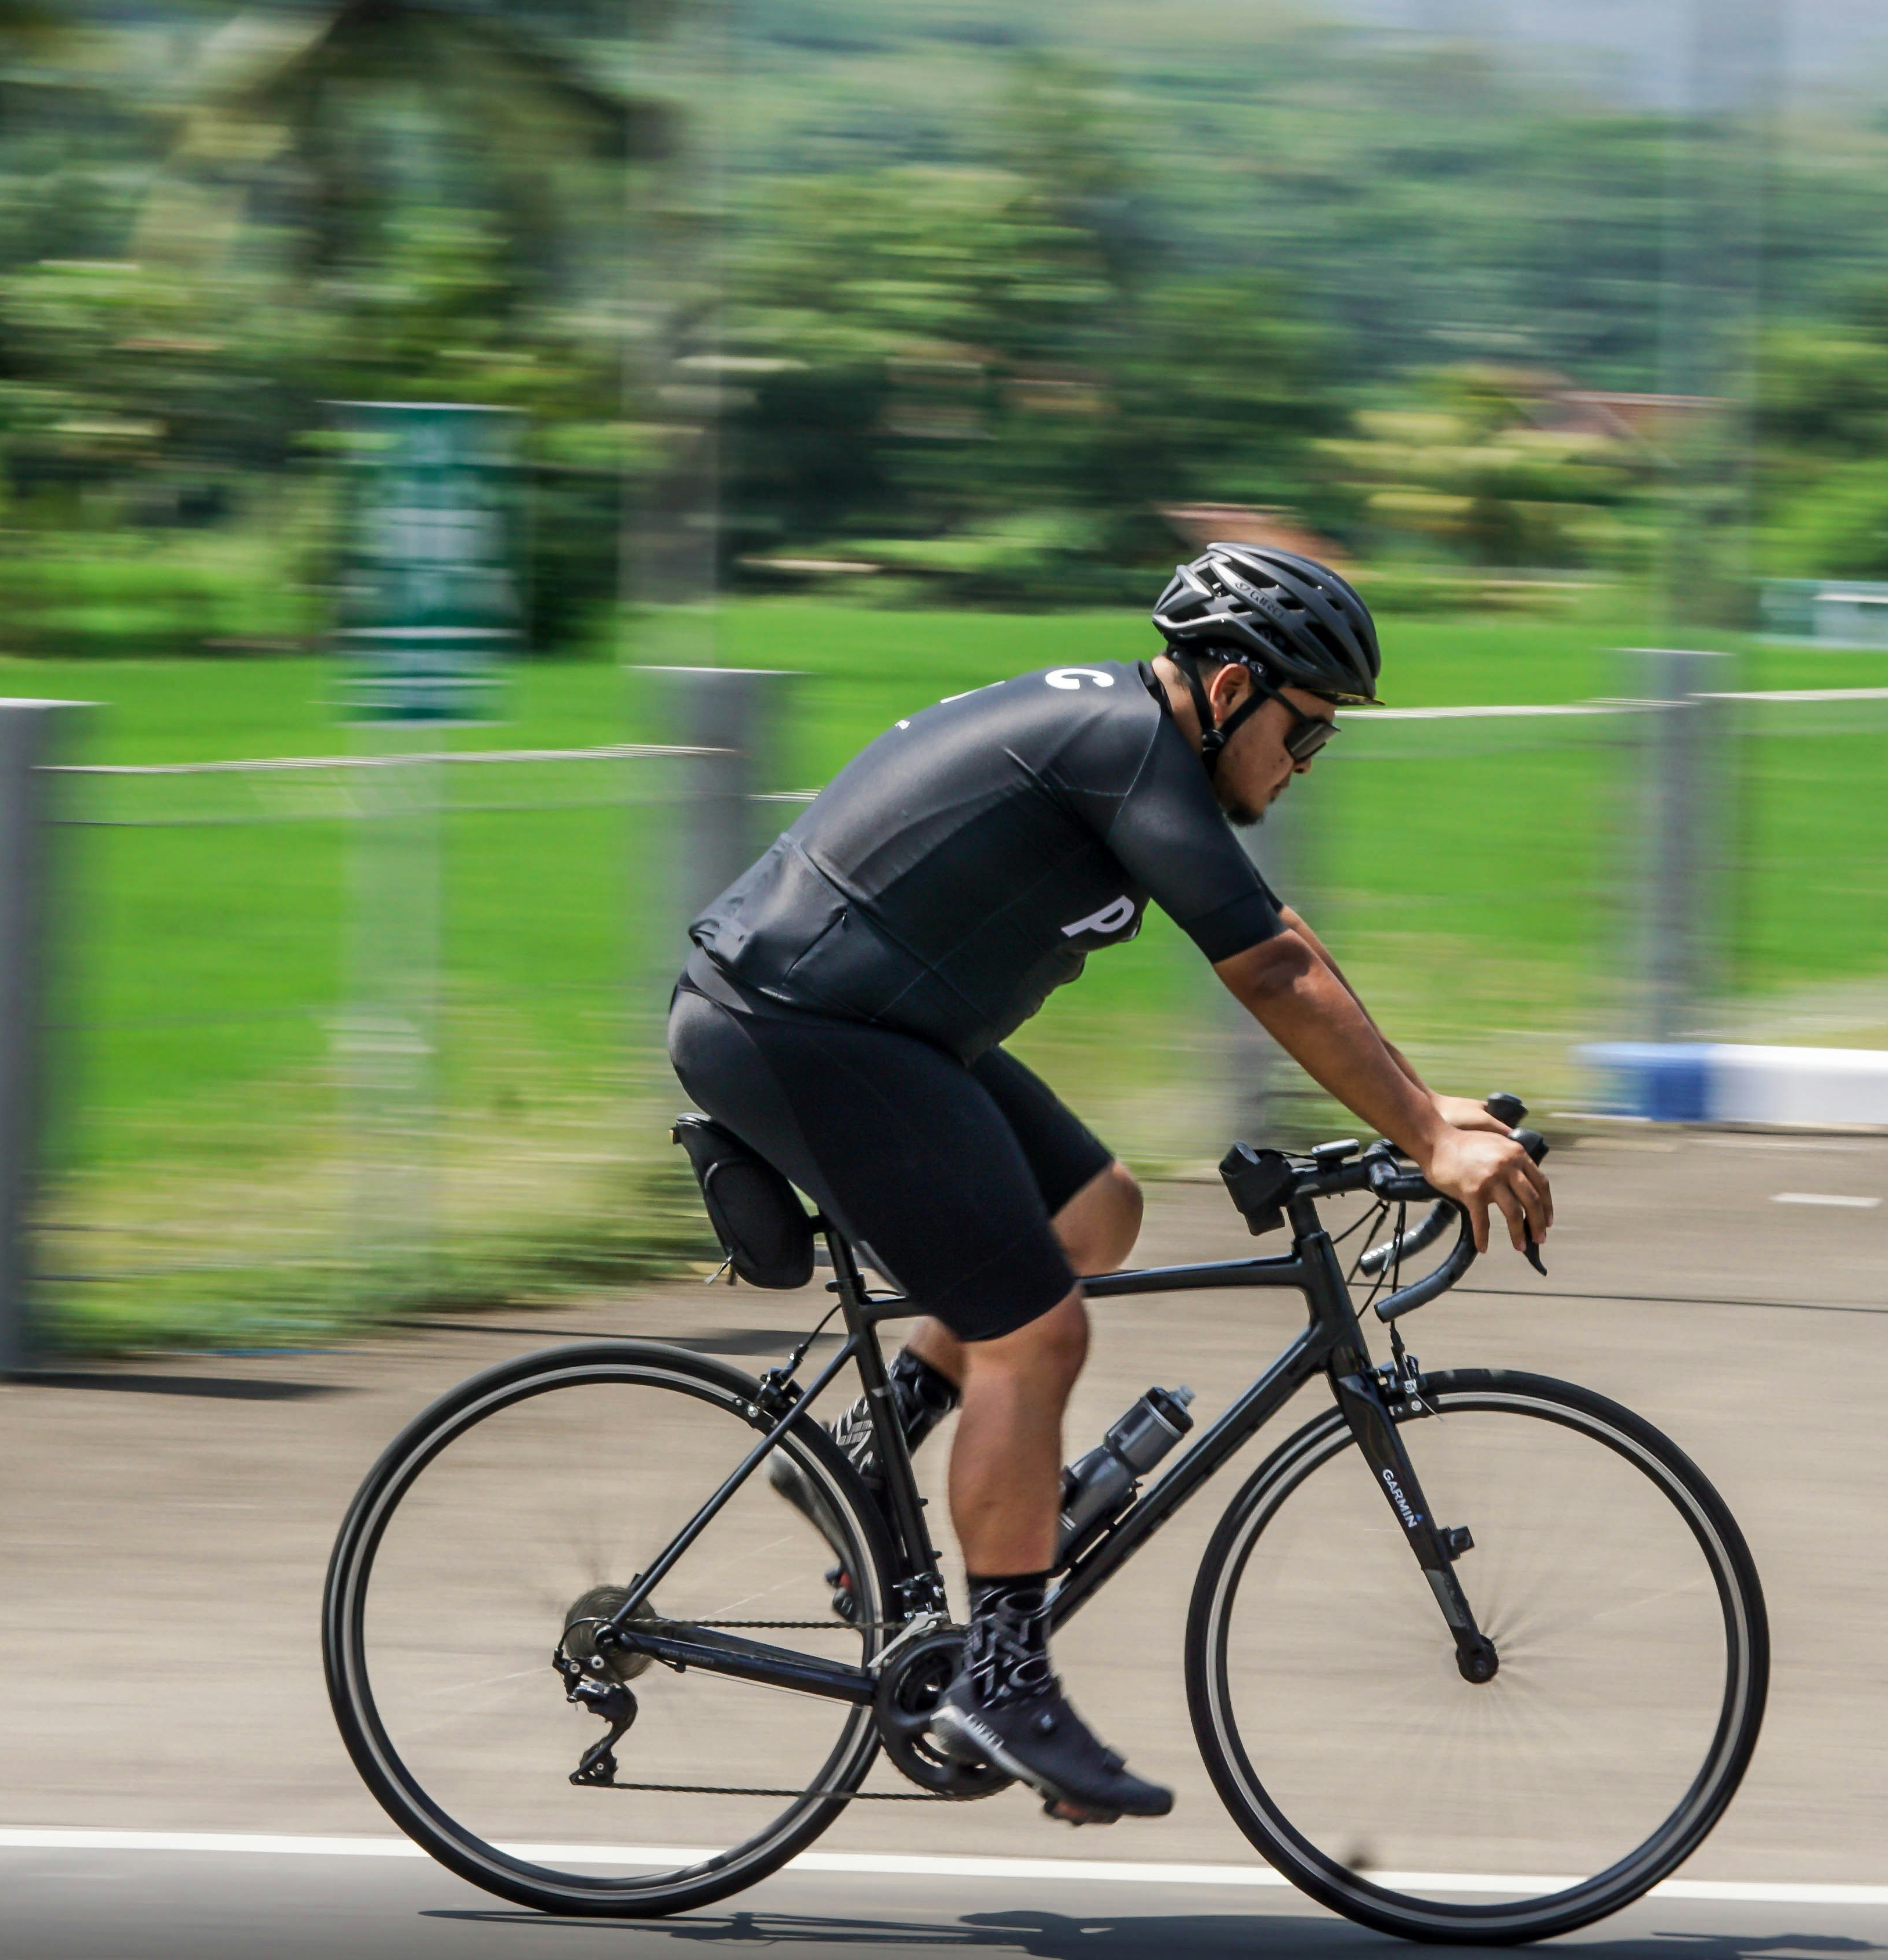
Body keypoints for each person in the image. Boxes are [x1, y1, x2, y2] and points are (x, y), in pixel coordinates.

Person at [664, 542, 1552, 1825]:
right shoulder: (1126, 746)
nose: (1307, 766)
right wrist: (1423, 1136)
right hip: (790, 1024)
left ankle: (871, 1447)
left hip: (883, 1029)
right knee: (1035, 1330)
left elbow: (1280, 935)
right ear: (1236, 684)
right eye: (1306, 733)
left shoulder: (1142, 745)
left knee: (1100, 1214)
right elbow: (1268, 974)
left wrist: (1427, 1105)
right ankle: (1000, 1677)